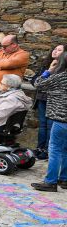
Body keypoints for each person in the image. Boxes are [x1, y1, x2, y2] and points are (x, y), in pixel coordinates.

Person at [31, 52, 67, 192]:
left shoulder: (59, 77)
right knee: (65, 150)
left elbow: (38, 83)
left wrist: (49, 70)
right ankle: (64, 179)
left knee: (55, 149)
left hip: (61, 118)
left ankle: (50, 181)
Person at [32, 44, 64, 159]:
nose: (55, 51)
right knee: (42, 125)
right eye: (54, 49)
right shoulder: (46, 64)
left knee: (51, 126)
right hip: (42, 99)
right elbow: (34, 81)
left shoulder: (63, 68)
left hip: (54, 101)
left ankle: (47, 150)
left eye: (59, 50)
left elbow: (55, 84)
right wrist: (48, 71)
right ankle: (39, 148)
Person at [0, 35, 30, 103]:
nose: (2, 48)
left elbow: (8, 64)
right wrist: (1, 66)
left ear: (14, 44)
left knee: (5, 109)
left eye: (5, 46)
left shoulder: (23, 55)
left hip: (9, 91)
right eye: (1, 46)